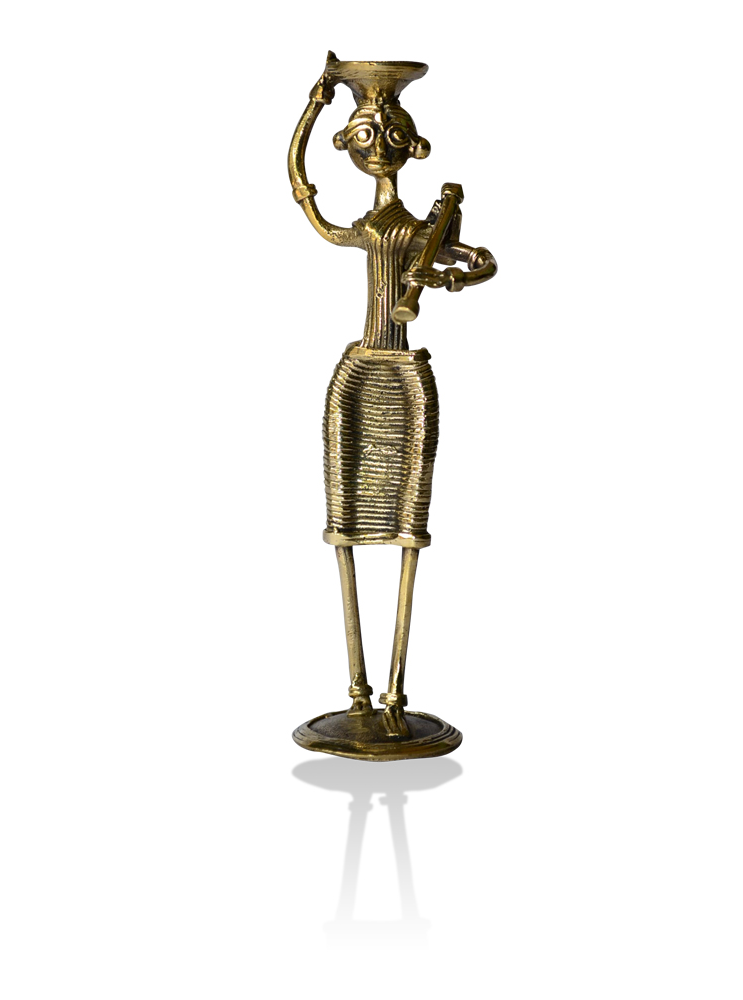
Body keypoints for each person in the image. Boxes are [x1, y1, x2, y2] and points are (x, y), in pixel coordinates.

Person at [288, 54, 497, 739]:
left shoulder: (419, 230)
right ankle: (357, 692)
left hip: (406, 376)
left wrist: (449, 274)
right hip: (356, 375)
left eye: (389, 134)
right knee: (344, 522)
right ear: (346, 144)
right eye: (363, 134)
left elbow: (481, 261)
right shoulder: (370, 229)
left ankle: (396, 694)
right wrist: (316, 103)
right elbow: (303, 193)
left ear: (415, 145)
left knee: (409, 525)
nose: (376, 147)